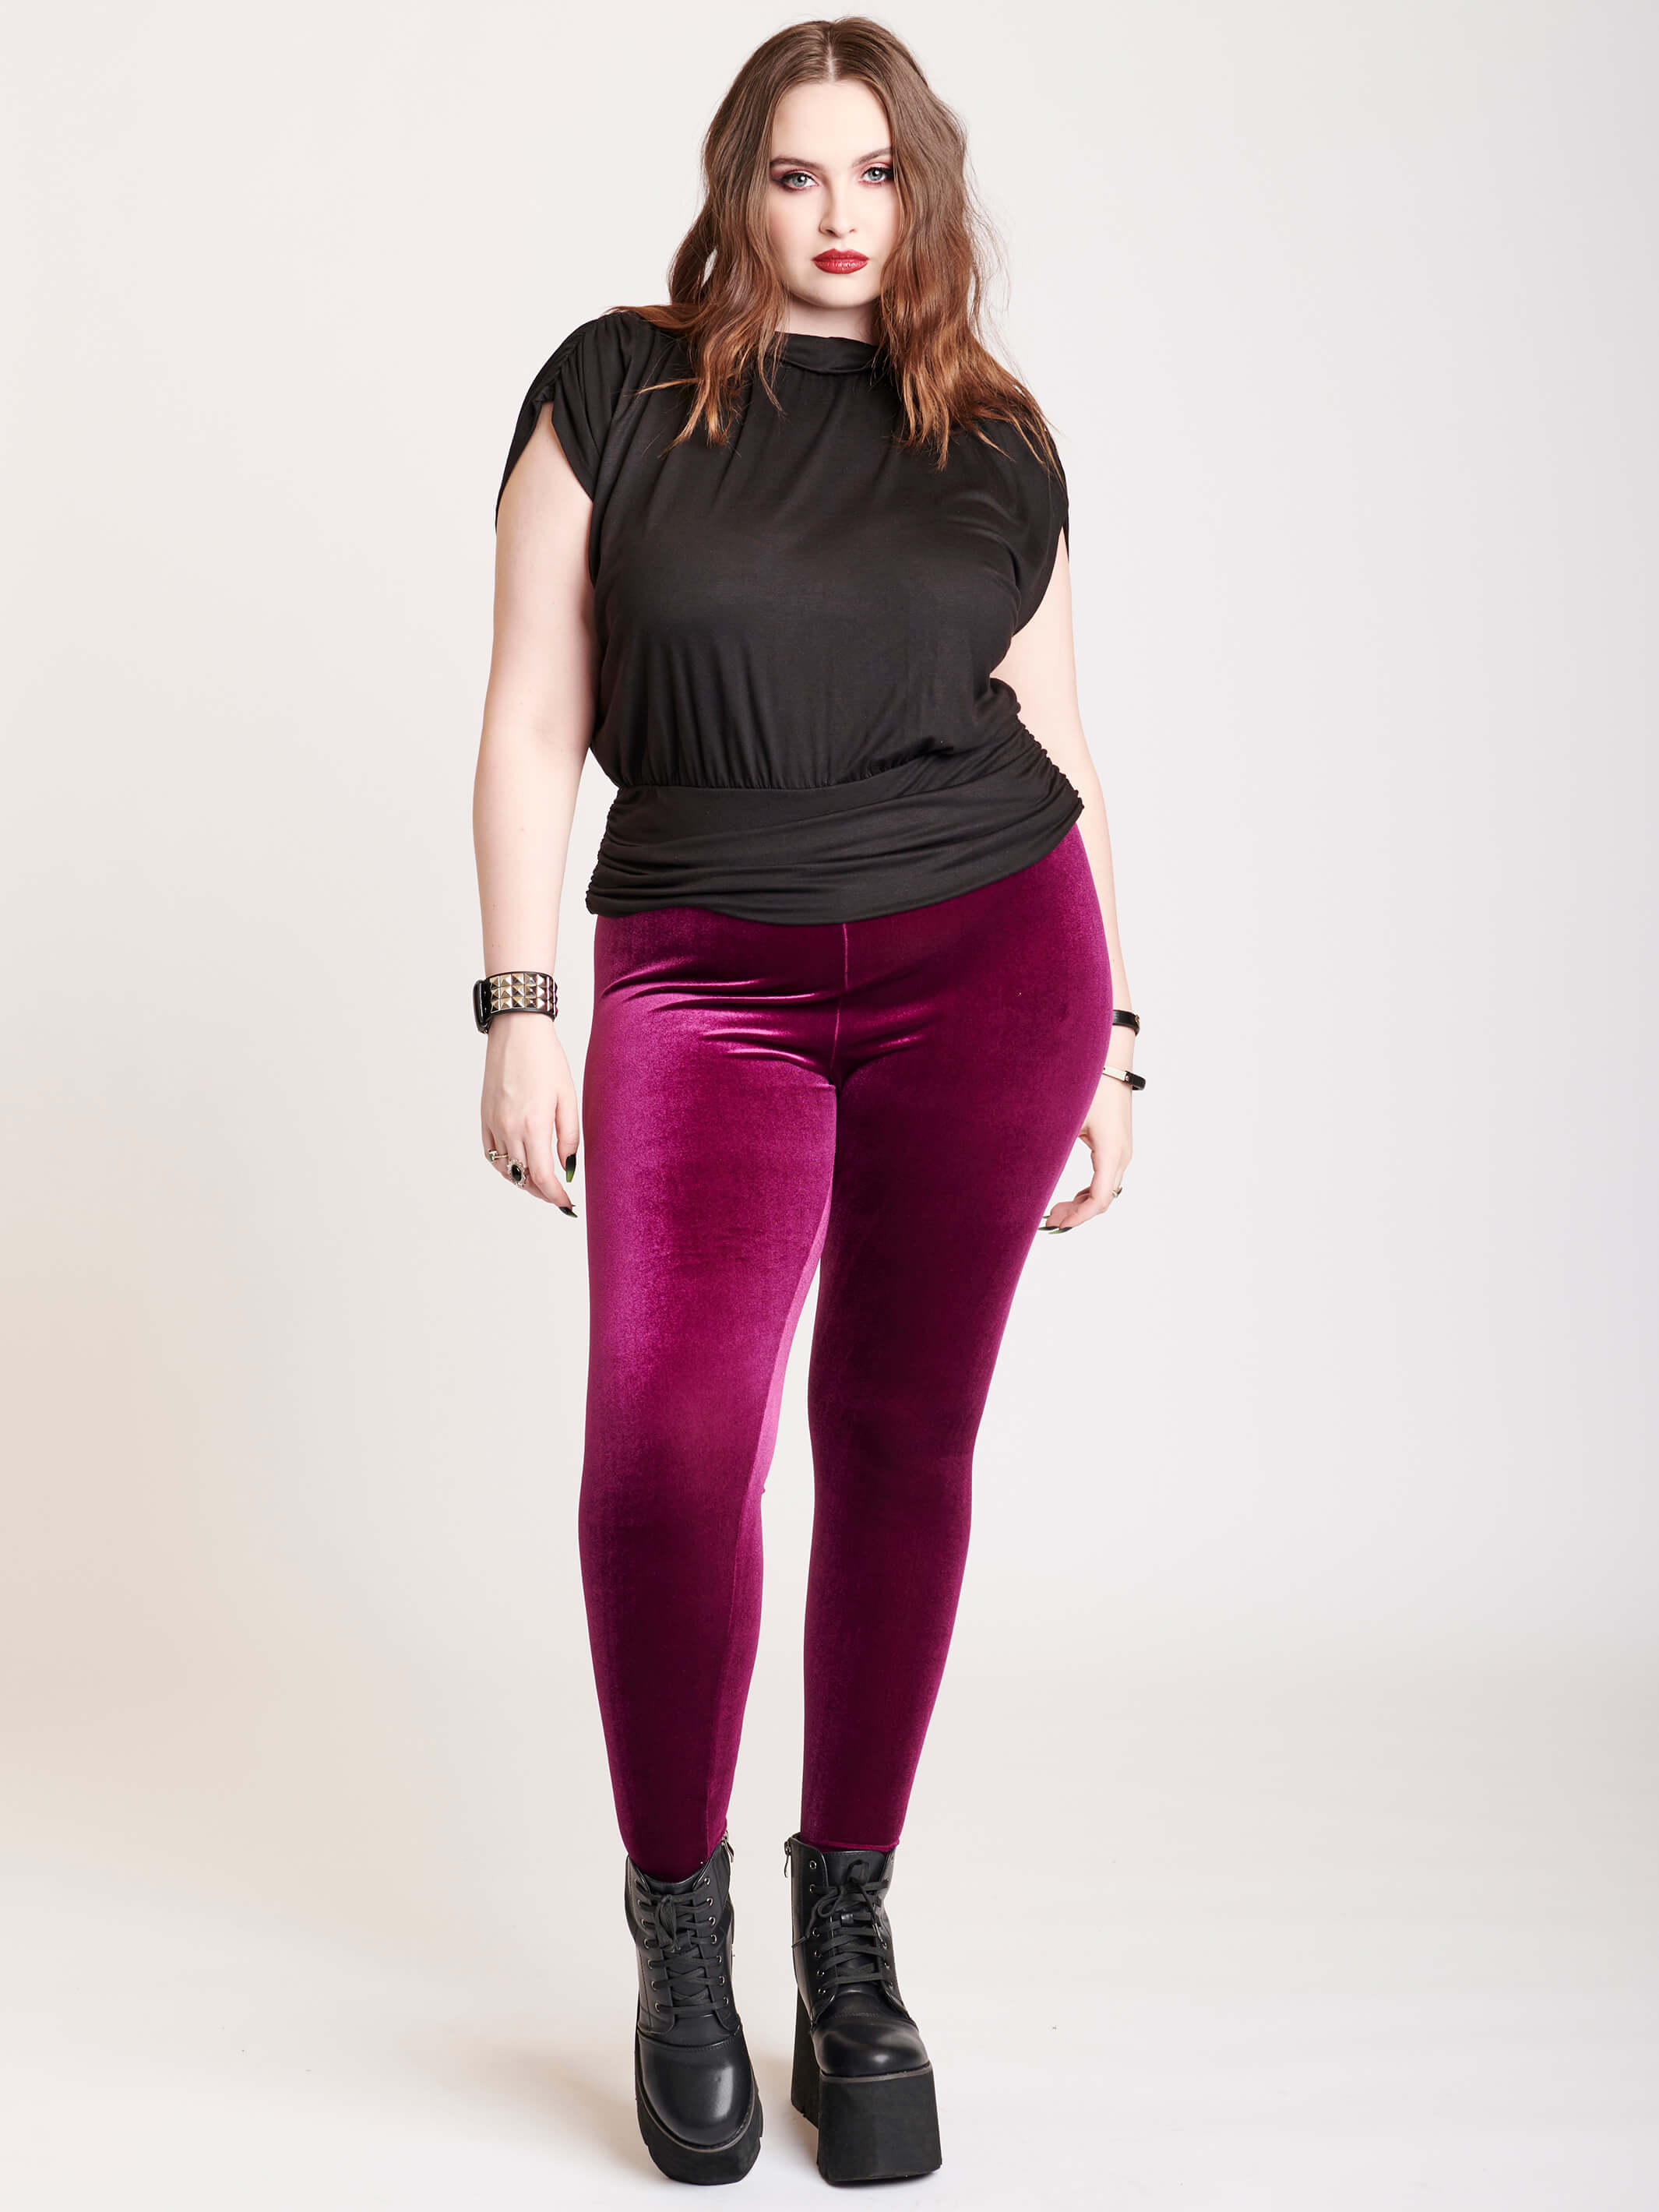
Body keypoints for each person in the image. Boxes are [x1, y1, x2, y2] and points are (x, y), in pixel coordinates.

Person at [472, 16, 1141, 2189]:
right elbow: (530, 712)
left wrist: (1120, 1037)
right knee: (668, 1459)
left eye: (875, 173)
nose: (838, 215)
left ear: (922, 192)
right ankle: (682, 1935)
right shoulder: (614, 393)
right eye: (794, 173)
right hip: (703, 970)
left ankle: (846, 1933)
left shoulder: (997, 433)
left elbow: (1055, 728)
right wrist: (519, 1005)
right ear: (736, 189)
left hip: (995, 957)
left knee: (900, 1439)